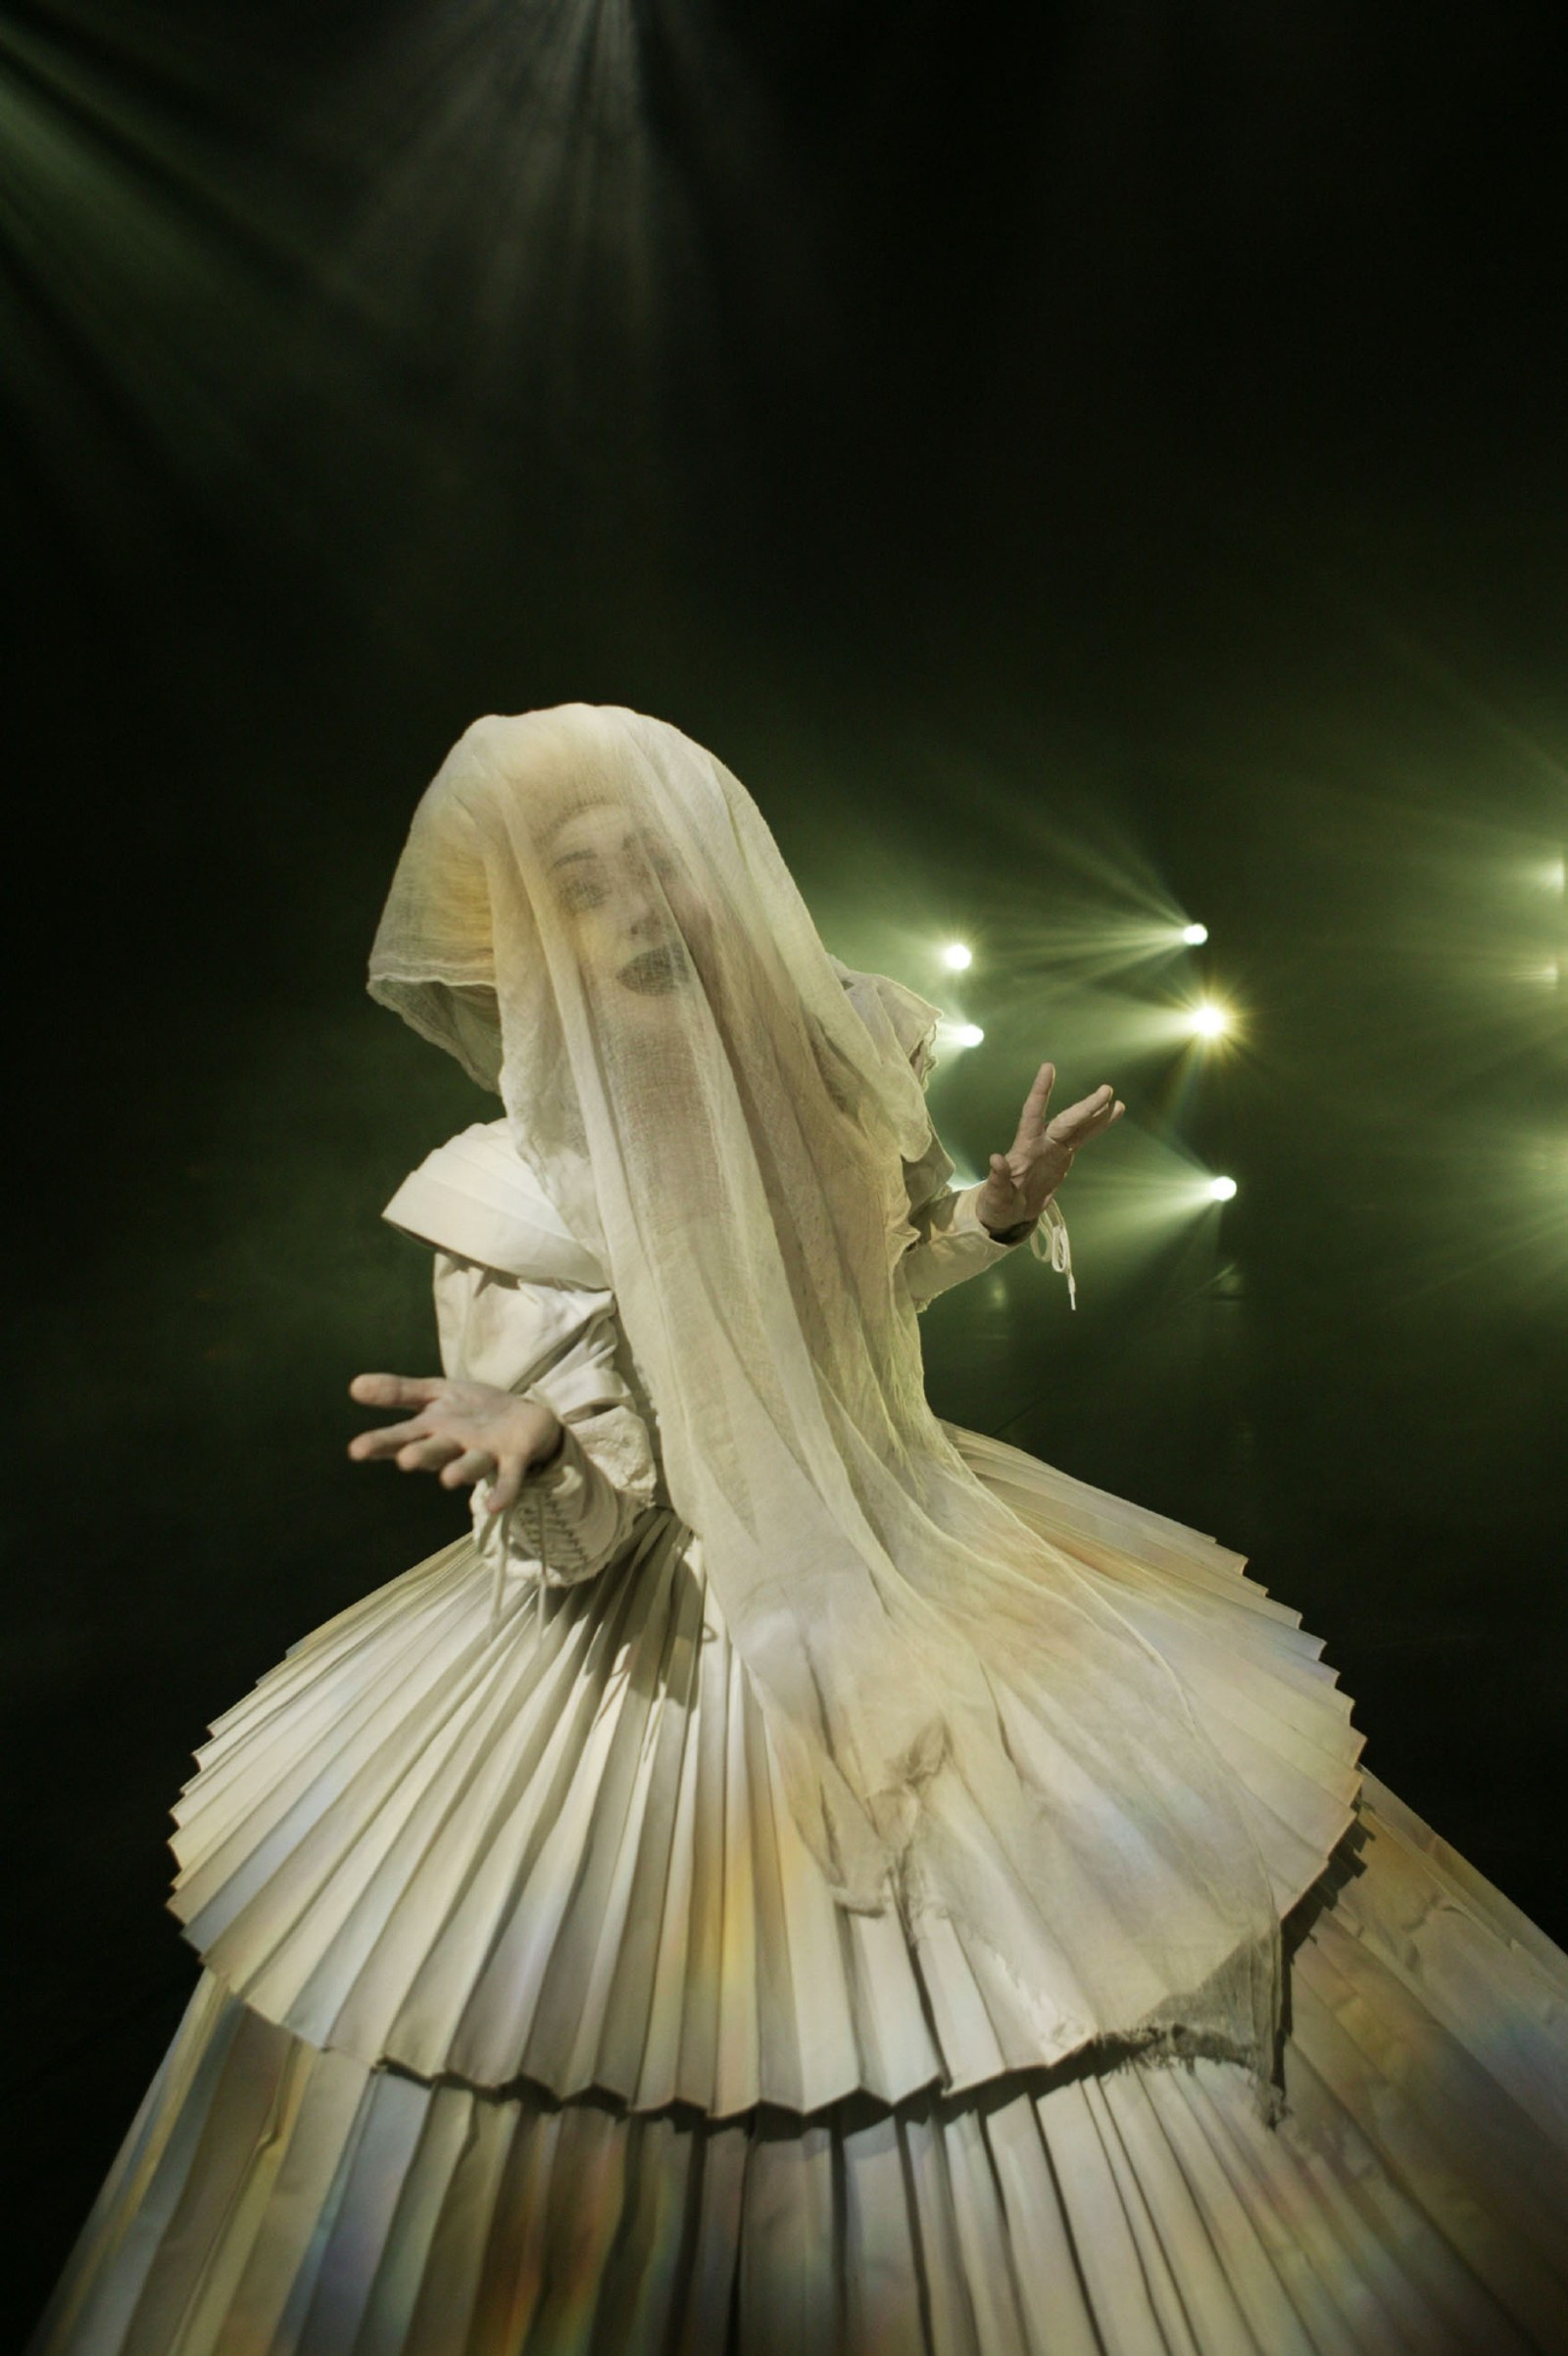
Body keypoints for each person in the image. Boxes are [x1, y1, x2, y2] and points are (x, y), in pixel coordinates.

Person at [29, 705, 1568, 2355]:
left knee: (1116, 1915)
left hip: (911, 1530)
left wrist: (988, 1215)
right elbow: (585, 1542)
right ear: (521, 922)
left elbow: (857, 1290)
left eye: (649, 860)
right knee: (685, 2065)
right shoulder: (511, 1197)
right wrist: (540, 1443)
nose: (629, 904)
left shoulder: (831, 1057)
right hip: (683, 1645)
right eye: (576, 876)